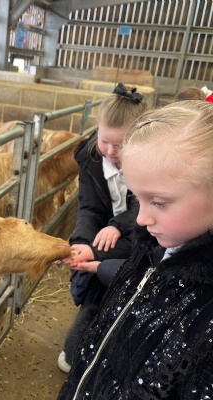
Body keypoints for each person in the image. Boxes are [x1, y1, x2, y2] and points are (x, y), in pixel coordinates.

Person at [57, 100, 213, 399]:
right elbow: (91, 209)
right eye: (137, 199)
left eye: (158, 202)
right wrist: (86, 246)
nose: (140, 218)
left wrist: (100, 258)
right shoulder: (150, 244)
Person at [57, 83, 148, 372]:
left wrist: (117, 226)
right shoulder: (91, 159)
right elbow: (89, 207)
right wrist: (82, 243)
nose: (110, 150)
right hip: (108, 234)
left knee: (120, 279)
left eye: (120, 144)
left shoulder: (150, 160)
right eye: (104, 140)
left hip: (145, 233)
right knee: (93, 274)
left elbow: (148, 207)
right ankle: (81, 346)